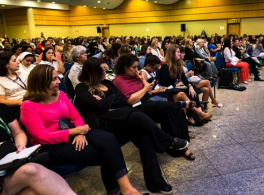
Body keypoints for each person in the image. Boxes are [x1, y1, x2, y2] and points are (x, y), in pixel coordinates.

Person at [20, 65, 141, 195]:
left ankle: (126, 188)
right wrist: (76, 131)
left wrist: (80, 132)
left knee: (109, 138)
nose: (59, 81)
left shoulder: (60, 95)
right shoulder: (28, 106)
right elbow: (42, 137)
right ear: (41, 82)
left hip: (72, 132)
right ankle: (117, 191)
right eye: (54, 79)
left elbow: (76, 116)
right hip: (51, 146)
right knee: (107, 153)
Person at [75, 58, 188, 194]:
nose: (105, 72)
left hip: (118, 120)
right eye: (102, 70)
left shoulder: (107, 83)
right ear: (93, 72)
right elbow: (98, 106)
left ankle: (155, 183)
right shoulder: (82, 88)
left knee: (144, 136)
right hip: (100, 124)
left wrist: (105, 101)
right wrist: (109, 100)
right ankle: (167, 140)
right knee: (134, 113)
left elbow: (122, 99)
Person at [113, 54, 195, 160]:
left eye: (137, 67)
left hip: (147, 101)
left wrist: (142, 80)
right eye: (134, 67)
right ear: (125, 67)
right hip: (137, 108)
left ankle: (182, 145)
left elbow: (148, 91)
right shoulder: (119, 80)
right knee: (170, 107)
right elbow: (130, 100)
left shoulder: (134, 77)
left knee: (176, 111)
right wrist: (145, 88)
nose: (136, 70)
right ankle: (178, 145)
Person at [0, 104, 76, 195]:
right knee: (32, 171)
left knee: (37, 190)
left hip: (13, 164)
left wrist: (20, 146)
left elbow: (18, 133)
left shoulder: (2, 108)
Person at [159, 45, 212, 121]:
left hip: (175, 88)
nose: (179, 54)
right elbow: (163, 85)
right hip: (168, 91)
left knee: (192, 88)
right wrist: (175, 85)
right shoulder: (165, 66)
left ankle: (197, 113)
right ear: (172, 54)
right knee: (186, 92)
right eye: (177, 52)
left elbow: (183, 78)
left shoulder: (177, 65)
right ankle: (198, 114)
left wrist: (189, 86)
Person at [0, 52, 28, 119]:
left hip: (30, 101)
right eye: (14, 61)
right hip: (16, 108)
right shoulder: (1, 80)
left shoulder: (23, 75)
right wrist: (21, 102)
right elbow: (2, 101)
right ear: (6, 65)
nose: (18, 62)